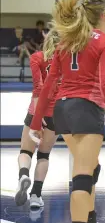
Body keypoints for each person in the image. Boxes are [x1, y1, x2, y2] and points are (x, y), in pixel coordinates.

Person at [28, 0, 105, 223]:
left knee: (90, 170)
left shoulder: (67, 39)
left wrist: (36, 123)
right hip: (86, 109)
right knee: (83, 176)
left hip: (61, 110)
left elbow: (48, 85)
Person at [15, 29, 60, 211]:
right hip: (57, 113)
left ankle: (23, 176)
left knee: (26, 151)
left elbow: (38, 88)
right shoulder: (65, 61)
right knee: (44, 155)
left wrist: (36, 117)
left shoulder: (36, 57)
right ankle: (36, 195)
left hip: (37, 110)